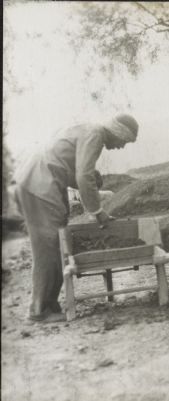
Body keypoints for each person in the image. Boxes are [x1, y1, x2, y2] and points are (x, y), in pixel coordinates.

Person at [14, 113, 139, 322]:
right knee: (49, 246)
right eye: (124, 141)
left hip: (39, 182)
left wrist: (89, 182)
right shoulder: (96, 134)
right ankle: (39, 310)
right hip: (39, 185)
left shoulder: (85, 128)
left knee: (57, 243)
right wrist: (97, 212)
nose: (121, 147)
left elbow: (68, 168)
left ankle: (49, 304)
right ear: (118, 132)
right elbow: (83, 175)